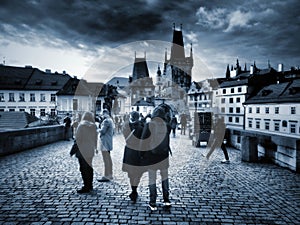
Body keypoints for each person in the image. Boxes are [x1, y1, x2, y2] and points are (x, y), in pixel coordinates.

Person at [141, 104, 172, 211]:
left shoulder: (149, 125)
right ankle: (166, 200)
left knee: (152, 180)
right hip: (164, 156)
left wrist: (142, 154)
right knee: (165, 179)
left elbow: (143, 141)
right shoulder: (167, 125)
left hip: (151, 156)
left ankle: (153, 203)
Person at [122, 111, 145, 203]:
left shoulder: (126, 127)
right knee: (138, 172)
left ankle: (133, 190)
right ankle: (135, 189)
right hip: (138, 152)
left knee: (131, 173)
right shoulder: (141, 127)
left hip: (129, 151)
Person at [72, 111, 97, 193]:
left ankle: (86, 186)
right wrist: (95, 148)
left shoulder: (81, 126)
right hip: (90, 149)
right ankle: (90, 185)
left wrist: (73, 150)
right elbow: (95, 138)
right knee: (89, 167)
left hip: (82, 150)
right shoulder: (94, 126)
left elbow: (78, 139)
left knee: (83, 168)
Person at [98, 109, 115, 182]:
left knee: (106, 159)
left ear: (105, 113)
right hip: (108, 142)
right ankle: (110, 174)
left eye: (102, 114)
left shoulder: (106, 121)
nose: (101, 116)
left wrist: (97, 129)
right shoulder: (110, 120)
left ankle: (106, 175)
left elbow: (102, 131)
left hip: (105, 143)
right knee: (108, 159)